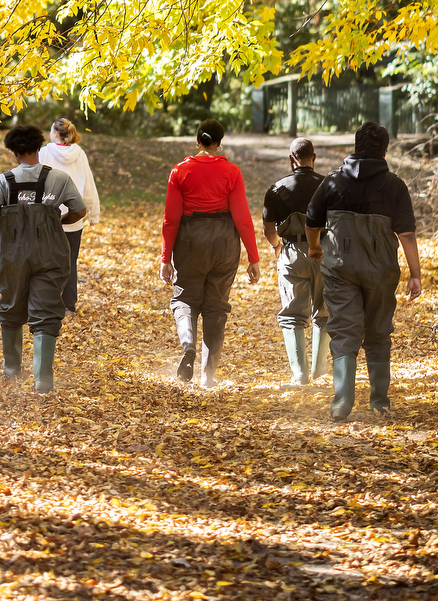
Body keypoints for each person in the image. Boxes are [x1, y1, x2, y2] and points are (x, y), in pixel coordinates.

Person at [305, 121, 421, 422]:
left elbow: (312, 220)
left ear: (356, 146)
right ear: (384, 150)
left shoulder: (332, 182)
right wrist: (415, 273)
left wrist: (315, 247)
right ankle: (380, 401)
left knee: (344, 329)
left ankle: (342, 400)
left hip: (340, 268)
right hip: (381, 270)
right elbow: (406, 234)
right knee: (379, 330)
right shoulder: (394, 185)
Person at [0, 124, 85, 394]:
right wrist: (57, 221)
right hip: (49, 250)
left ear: (14, 152)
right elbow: (79, 210)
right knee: (47, 310)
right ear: (39, 149)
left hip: (12, 252)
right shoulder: (59, 179)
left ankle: (12, 370)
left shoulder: (4, 181)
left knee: (12, 304)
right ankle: (43, 380)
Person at [159, 120, 260, 388]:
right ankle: (208, 376)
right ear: (219, 141)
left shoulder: (180, 171)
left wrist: (165, 258)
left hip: (190, 240)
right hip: (225, 241)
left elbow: (171, 220)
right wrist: (253, 257)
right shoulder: (231, 171)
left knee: (185, 298)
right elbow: (242, 218)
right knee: (216, 307)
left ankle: (188, 345)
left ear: (197, 140)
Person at [262, 137, 329, 385]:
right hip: (323, 252)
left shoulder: (277, 190)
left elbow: (268, 229)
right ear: (314, 158)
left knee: (292, 314)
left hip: (291, 253)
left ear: (291, 160)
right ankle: (320, 371)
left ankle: (300, 375)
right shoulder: (328, 185)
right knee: (324, 312)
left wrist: (277, 246)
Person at [38, 118, 101, 313]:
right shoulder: (79, 153)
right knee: (70, 261)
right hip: (74, 215)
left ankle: (48, 301)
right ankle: (68, 305)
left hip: (49, 215)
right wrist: (94, 213)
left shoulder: (45, 152)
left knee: (46, 260)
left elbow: (36, 180)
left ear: (56, 133)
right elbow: (88, 182)